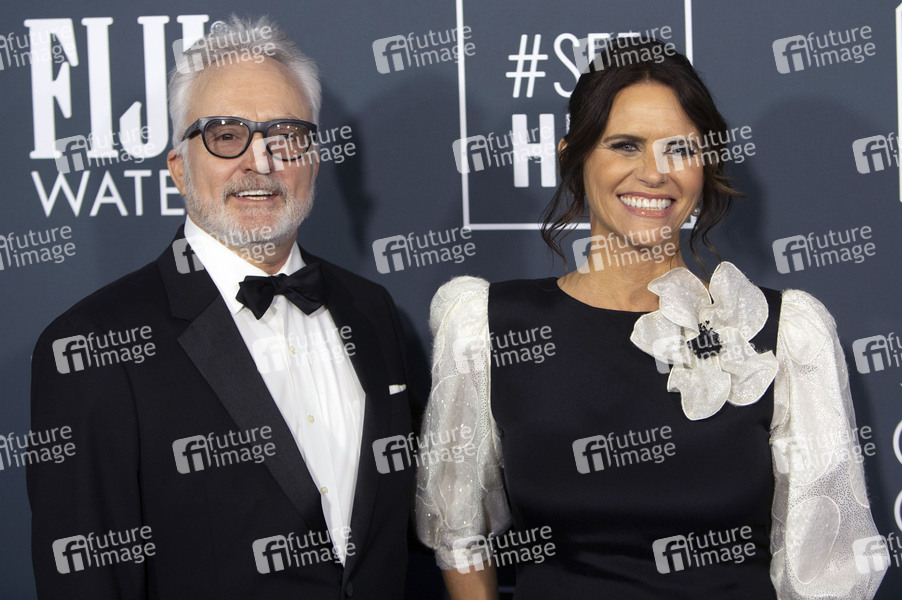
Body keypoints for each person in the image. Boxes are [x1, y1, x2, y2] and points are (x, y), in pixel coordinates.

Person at [415, 38, 887, 599]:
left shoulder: (785, 333)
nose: (654, 173)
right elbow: (459, 535)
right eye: (625, 145)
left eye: (679, 149)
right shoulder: (488, 327)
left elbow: (828, 574)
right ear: (572, 156)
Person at [28, 16, 415, 599]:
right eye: (226, 136)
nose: (260, 161)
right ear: (179, 169)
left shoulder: (371, 310)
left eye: (285, 135)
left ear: (313, 158)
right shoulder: (89, 348)